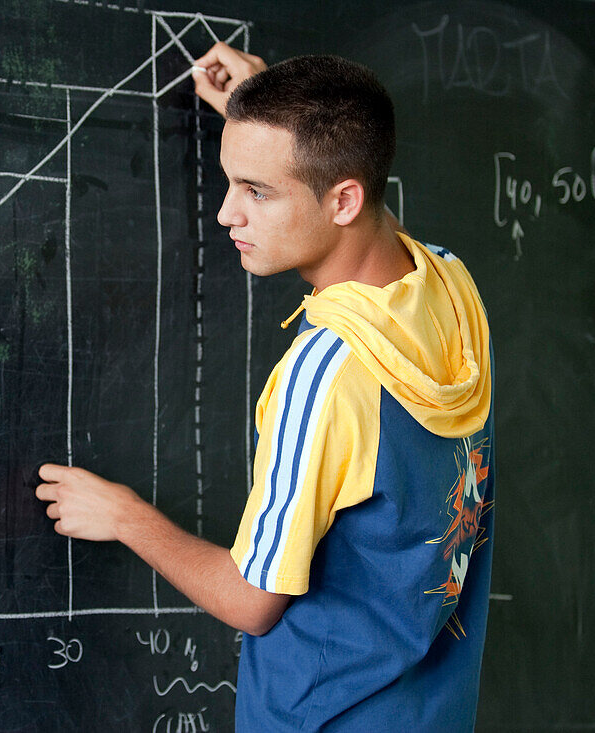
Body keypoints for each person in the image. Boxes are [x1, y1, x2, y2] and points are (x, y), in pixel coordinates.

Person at [36, 42, 494, 731]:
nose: (227, 213)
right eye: (231, 181)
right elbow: (372, 215)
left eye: (257, 190)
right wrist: (270, 127)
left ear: (343, 198)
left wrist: (126, 515)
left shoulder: (324, 377)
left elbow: (254, 599)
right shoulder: (451, 288)